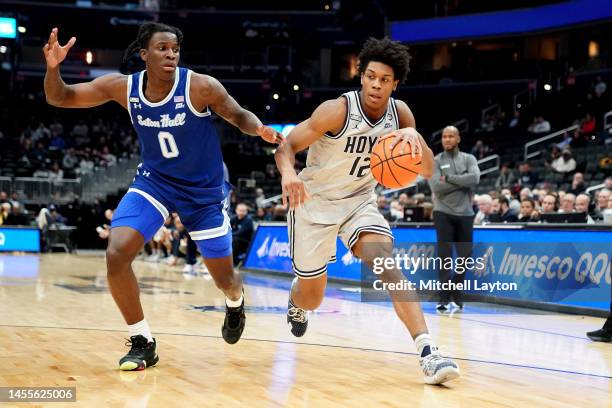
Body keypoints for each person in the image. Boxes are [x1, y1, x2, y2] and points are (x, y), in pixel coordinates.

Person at [43, 23, 283, 371]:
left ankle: (235, 302)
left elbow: (237, 114)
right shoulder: (124, 88)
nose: (171, 54)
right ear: (144, 54)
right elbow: (59, 97)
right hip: (155, 182)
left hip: (203, 193)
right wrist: (53, 68)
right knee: (116, 252)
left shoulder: (200, 86)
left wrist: (258, 128)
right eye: (162, 49)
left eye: (175, 49)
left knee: (225, 280)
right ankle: (143, 341)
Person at [275, 38, 459, 385]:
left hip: (360, 200)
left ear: (395, 84)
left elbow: (429, 170)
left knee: (386, 265)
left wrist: (413, 142)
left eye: (384, 79)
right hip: (314, 203)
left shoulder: (401, 115)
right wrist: (288, 174)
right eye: (370, 76)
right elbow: (287, 146)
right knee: (312, 297)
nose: (376, 84)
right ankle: (297, 297)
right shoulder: (337, 110)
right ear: (361, 77)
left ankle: (428, 352)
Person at [428, 125, 480, 311]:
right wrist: (460, 180)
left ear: (458, 139)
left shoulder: (469, 158)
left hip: (466, 213)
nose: (447, 139)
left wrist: (448, 178)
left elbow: (474, 179)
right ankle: (443, 297)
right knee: (445, 256)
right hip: (443, 212)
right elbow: (435, 186)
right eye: (444, 136)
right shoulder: (435, 161)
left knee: (465, 255)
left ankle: (455, 291)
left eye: (451, 136)